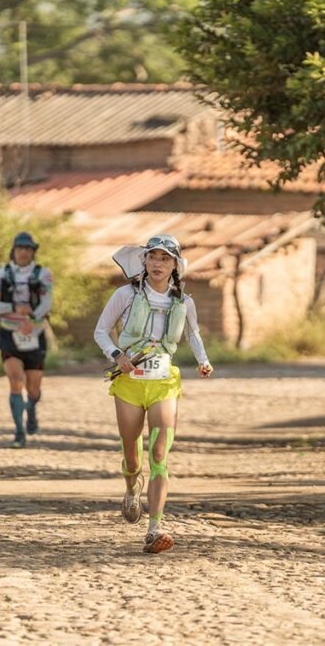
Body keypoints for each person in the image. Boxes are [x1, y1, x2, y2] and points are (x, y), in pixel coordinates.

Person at [93, 234, 213, 554]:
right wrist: (117, 355)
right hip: (130, 384)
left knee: (159, 455)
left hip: (164, 383)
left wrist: (203, 361)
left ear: (175, 266)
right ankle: (132, 488)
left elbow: (193, 333)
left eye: (165, 259)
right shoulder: (125, 295)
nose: (158, 264)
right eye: (153, 257)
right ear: (143, 262)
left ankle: (155, 528)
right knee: (133, 456)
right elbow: (101, 331)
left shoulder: (184, 302)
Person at [0, 232, 54, 448]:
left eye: (28, 249)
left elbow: (46, 303)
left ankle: (31, 408)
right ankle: (19, 431)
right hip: (9, 334)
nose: (24, 252)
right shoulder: (1, 274)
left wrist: (32, 319)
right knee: (15, 381)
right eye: (20, 248)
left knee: (33, 389)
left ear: (33, 251)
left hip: (34, 334)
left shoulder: (43, 274)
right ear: (13, 250)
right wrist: (14, 308)